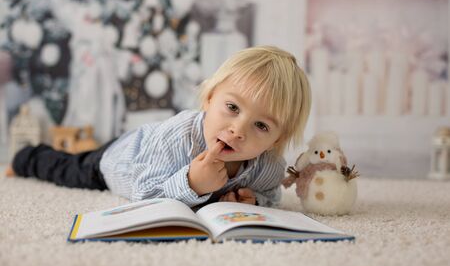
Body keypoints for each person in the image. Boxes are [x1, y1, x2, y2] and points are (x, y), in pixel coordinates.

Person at [5, 45, 311, 208]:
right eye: (232, 108)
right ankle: (25, 158)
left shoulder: (267, 165)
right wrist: (192, 184)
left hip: (143, 144)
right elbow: (144, 193)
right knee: (68, 167)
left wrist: (256, 199)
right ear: (208, 98)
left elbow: (273, 193)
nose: (238, 129)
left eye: (261, 125)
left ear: (275, 140)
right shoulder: (180, 137)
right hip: (118, 161)